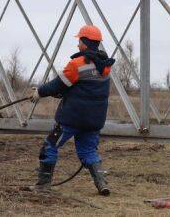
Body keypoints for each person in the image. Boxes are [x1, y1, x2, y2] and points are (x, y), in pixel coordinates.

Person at [30, 25, 115, 196]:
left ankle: (43, 186)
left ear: (85, 42)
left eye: (79, 41)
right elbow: (83, 88)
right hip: (94, 120)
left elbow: (58, 85)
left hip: (72, 118)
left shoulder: (77, 65)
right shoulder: (105, 67)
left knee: (50, 146)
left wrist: (39, 92)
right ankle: (102, 184)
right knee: (88, 151)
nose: (77, 45)